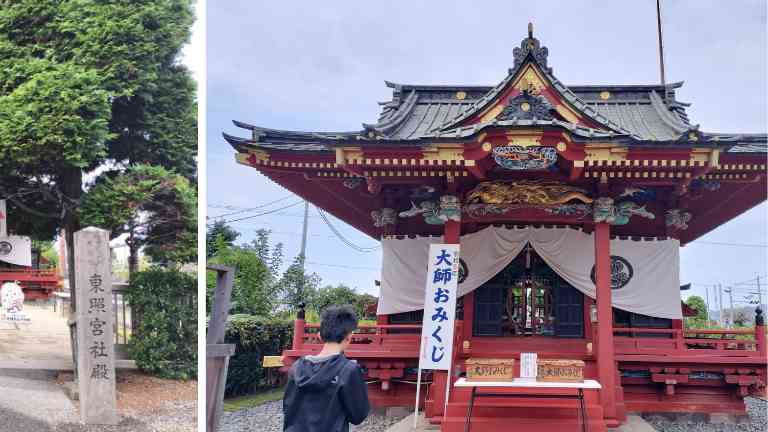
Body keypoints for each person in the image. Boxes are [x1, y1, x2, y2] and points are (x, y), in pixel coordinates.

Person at [283, 305, 370, 432]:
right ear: (349, 336)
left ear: (320, 335)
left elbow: (287, 408)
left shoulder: (296, 367)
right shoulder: (348, 369)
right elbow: (358, 415)